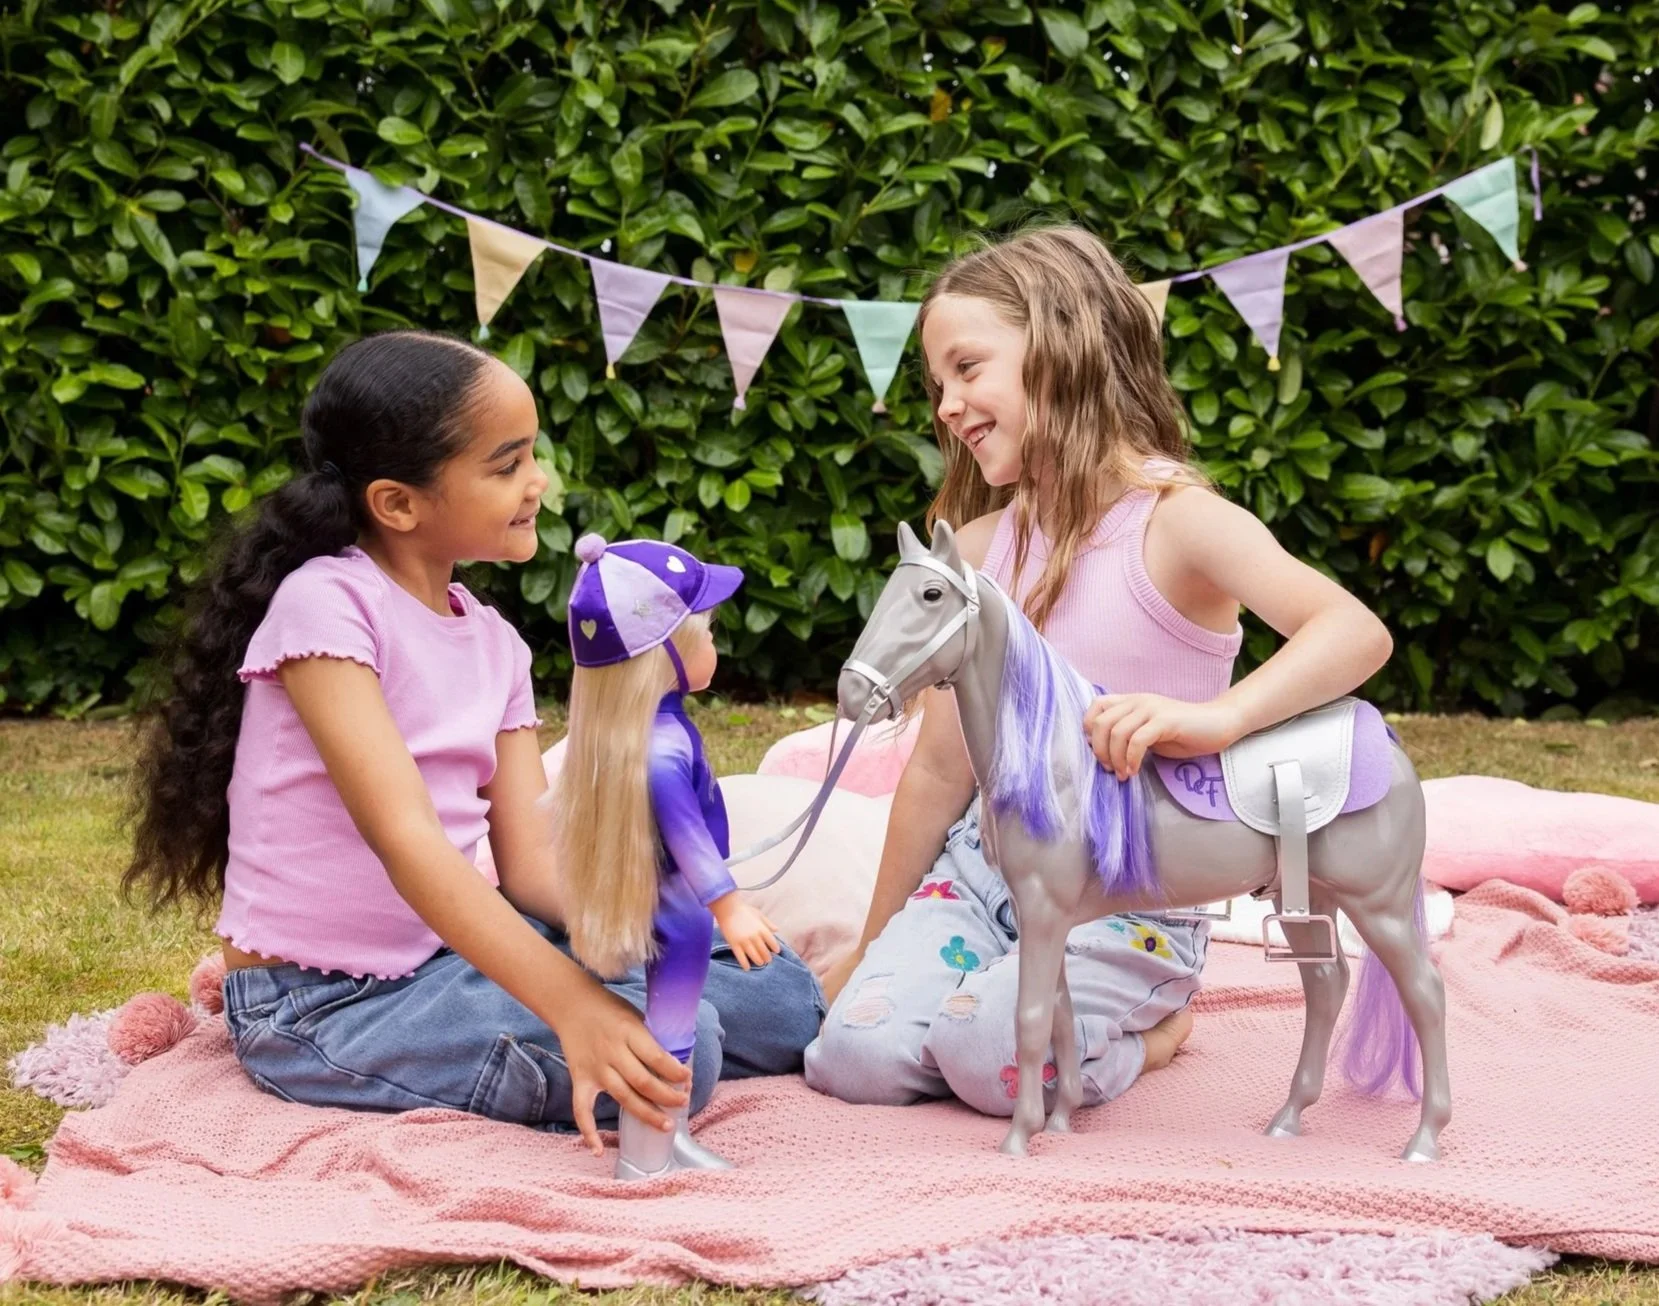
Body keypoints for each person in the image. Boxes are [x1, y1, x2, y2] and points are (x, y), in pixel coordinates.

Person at [122, 330, 822, 1164]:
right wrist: (572, 1002)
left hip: (453, 954)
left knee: (780, 1000)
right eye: (506, 465)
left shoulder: (496, 642)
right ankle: (573, 1033)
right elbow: (408, 842)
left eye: (532, 456)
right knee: (684, 1049)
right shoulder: (326, 608)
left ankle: (608, 1011)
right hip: (322, 1005)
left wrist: (663, 917)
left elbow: (526, 867)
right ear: (398, 503)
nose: (538, 483)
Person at [804, 225, 1393, 1117]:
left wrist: (1222, 719)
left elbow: (1352, 632)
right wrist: (872, 939)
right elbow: (936, 770)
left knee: (986, 1057)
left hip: (1130, 889)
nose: (946, 406)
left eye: (966, 369)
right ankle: (981, 999)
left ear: (1059, 347)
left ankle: (1153, 1032)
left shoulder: (1177, 522)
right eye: (935, 386)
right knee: (851, 1057)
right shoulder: (973, 552)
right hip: (982, 874)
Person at [550, 531, 786, 1177]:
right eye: (704, 632)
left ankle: (666, 1141)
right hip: (682, 910)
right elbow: (686, 838)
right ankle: (646, 1158)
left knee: (672, 1029)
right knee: (669, 1034)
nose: (714, 645)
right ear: (669, 652)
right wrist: (731, 908)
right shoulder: (659, 751)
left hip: (676, 907)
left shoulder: (652, 730)